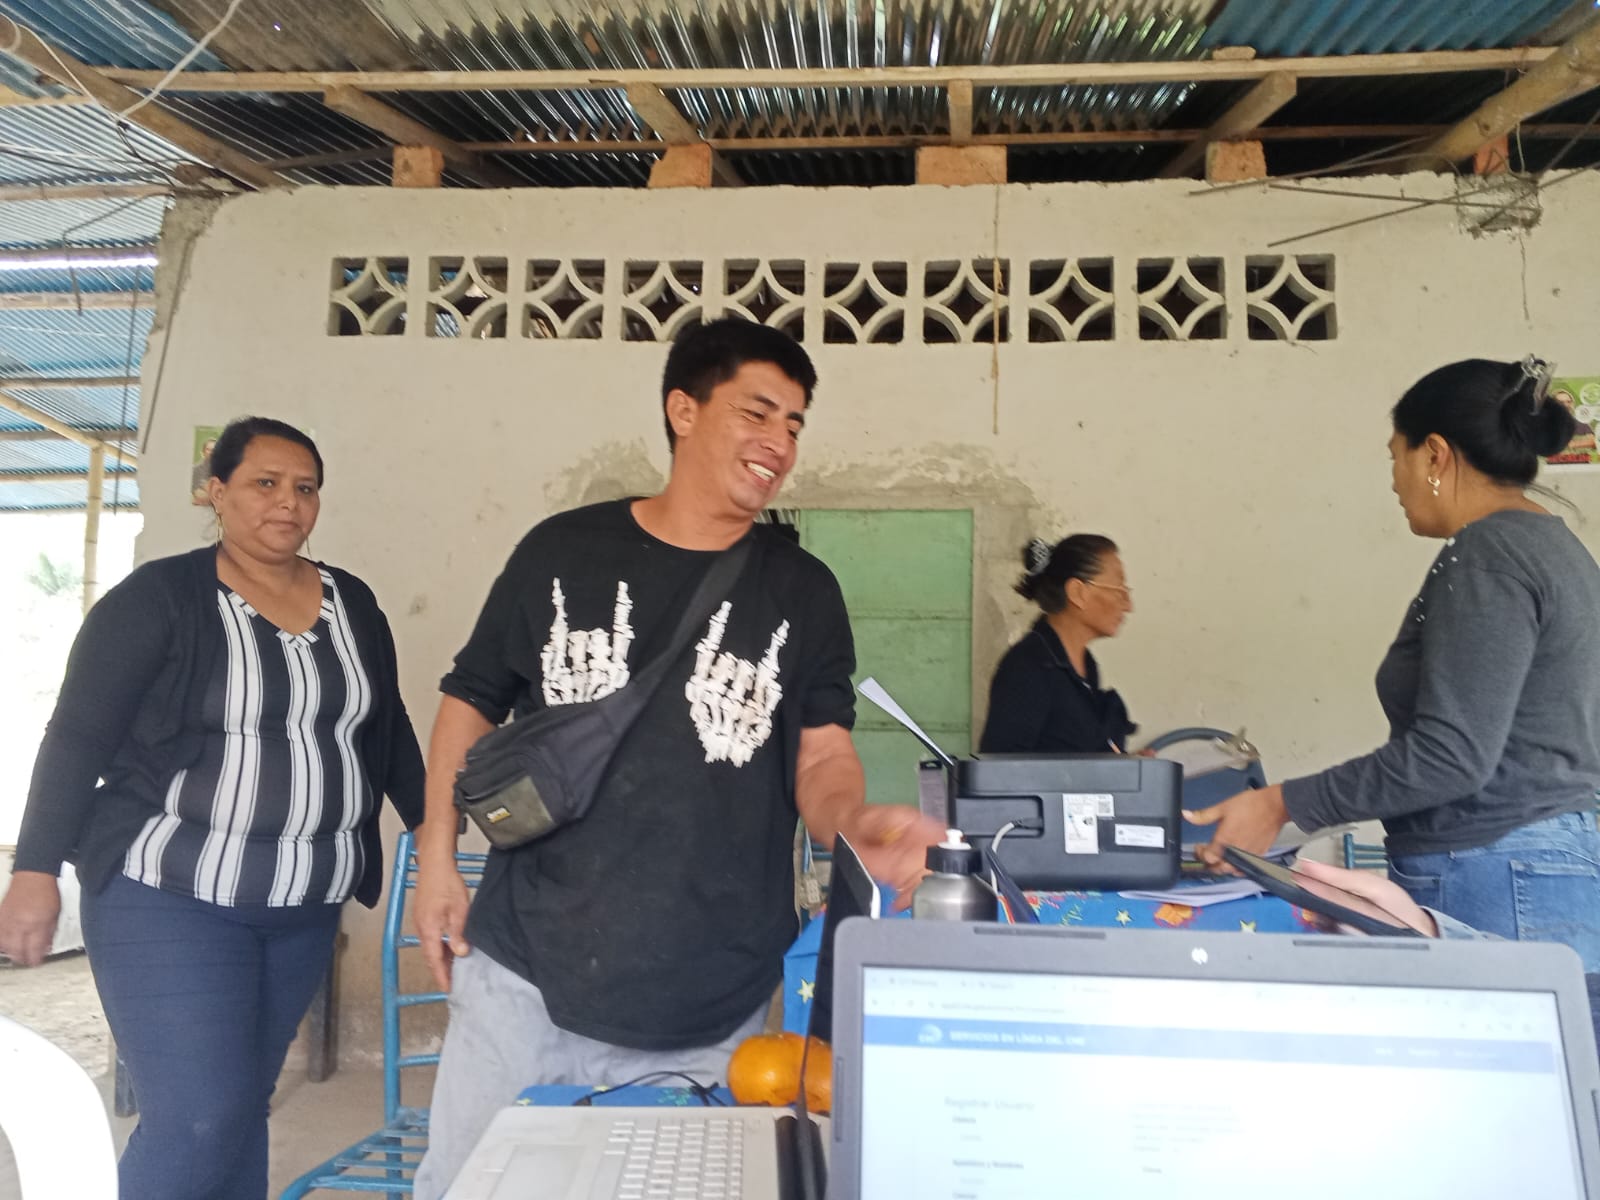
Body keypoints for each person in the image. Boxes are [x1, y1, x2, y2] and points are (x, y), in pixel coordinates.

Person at [409, 317, 945, 1199]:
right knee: (475, 1187)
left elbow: (821, 755)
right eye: (757, 413)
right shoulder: (562, 552)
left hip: (711, 996)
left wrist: (856, 823)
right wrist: (437, 857)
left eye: (795, 424)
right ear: (683, 410)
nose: (779, 442)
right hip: (525, 974)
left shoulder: (802, 591)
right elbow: (468, 700)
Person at [0, 417, 425, 1200]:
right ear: (217, 492)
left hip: (303, 908)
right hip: (169, 896)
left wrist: (434, 836)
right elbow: (79, 735)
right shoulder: (160, 599)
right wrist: (34, 869)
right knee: (195, 1120)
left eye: (304, 488)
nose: (288, 502)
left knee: (238, 1109)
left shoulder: (352, 604)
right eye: (265, 483)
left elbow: (387, 729)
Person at [1188, 356, 1600, 974]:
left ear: (1434, 455)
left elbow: (1451, 756)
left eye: (1395, 457)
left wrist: (1280, 804)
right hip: (1541, 866)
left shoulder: (1489, 553)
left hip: (1494, 873)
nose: (1393, 481)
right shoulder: (1555, 547)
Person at [979, 533, 1137, 754]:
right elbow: (1001, 767)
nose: (1128, 606)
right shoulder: (1028, 668)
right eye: (1119, 590)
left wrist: (1127, 766)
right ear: (1078, 593)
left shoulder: (1086, 665)